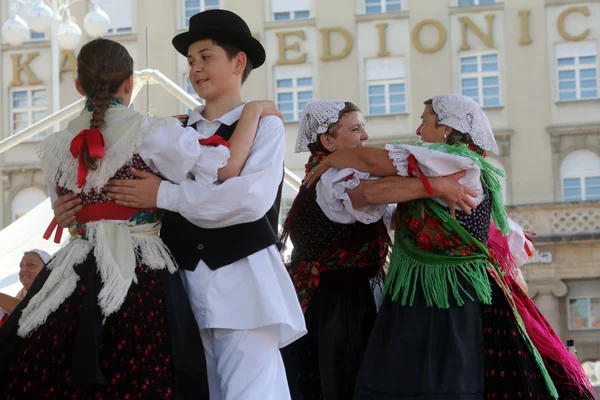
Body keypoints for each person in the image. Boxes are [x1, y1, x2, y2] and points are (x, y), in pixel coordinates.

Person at [0, 37, 281, 399]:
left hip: (78, 263)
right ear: (130, 82)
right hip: (140, 267)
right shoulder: (153, 132)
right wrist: (253, 113)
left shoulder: (56, 145)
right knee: (145, 368)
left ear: (78, 86)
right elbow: (219, 169)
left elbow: (67, 213)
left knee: (53, 363)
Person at [306, 95, 560, 399]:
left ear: (446, 129)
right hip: (422, 287)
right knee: (419, 378)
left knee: (444, 379)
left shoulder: (453, 161)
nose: (417, 129)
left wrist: (332, 159)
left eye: (425, 121)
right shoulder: (443, 165)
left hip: (448, 290)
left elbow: (374, 161)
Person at [0, 249, 50, 327]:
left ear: (47, 268)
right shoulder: (20, 295)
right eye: (21, 266)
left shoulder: (56, 292)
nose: (23, 270)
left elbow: (29, 311)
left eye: (30, 264)